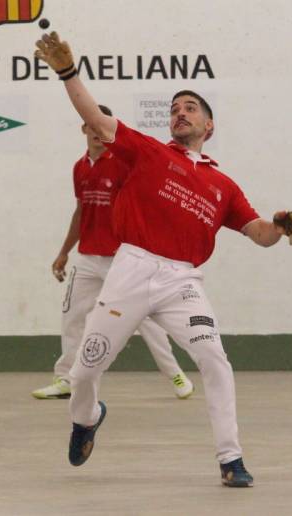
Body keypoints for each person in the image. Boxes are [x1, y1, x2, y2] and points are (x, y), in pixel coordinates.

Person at [35, 32, 292, 488]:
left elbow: (258, 235)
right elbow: (95, 120)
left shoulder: (224, 187)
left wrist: (278, 226)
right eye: (175, 107)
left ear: (209, 126)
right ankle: (88, 419)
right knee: (85, 370)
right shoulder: (149, 152)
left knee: (215, 360)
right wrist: (67, 72)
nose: (180, 112)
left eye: (190, 107)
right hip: (133, 268)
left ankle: (231, 458)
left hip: (183, 281)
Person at [31, 104, 194, 400]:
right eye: (90, 126)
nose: (96, 132)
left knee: (142, 319)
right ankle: (66, 379)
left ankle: (176, 375)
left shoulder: (122, 163)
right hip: (87, 257)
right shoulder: (80, 167)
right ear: (84, 129)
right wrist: (64, 251)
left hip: (122, 258)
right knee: (72, 316)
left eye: (100, 127)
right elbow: (81, 212)